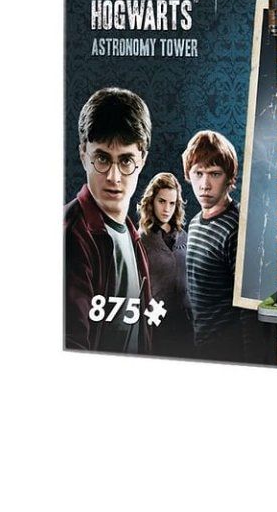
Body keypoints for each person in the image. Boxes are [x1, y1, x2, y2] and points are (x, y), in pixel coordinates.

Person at [64, 87, 153, 353]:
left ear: (142, 160)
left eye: (126, 161)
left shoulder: (132, 235)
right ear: (83, 154)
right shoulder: (71, 235)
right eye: (102, 158)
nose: (114, 177)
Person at [182, 130, 241, 352]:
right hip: (200, 344)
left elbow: (248, 311)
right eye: (198, 173)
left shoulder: (237, 227)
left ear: (229, 177)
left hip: (229, 350)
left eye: (215, 174)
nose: (205, 184)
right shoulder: (194, 224)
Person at [137, 172, 192, 355]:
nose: (167, 209)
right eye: (162, 201)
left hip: (186, 322)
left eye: (172, 203)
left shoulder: (184, 236)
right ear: (152, 201)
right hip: (156, 323)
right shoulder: (141, 240)